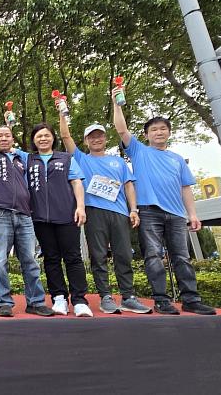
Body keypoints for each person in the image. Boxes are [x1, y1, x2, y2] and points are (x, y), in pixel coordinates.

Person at [113, 88, 216, 315]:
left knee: (182, 257)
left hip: (177, 215)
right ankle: (161, 299)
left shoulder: (177, 159)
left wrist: (193, 214)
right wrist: (117, 103)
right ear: (147, 134)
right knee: (153, 256)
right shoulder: (139, 151)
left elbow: (186, 188)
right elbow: (121, 129)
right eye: (154, 130)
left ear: (169, 133)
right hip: (149, 212)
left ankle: (191, 299)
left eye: (163, 129)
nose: (159, 132)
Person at [59, 116, 152, 315]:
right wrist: (62, 113)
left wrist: (133, 209)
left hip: (119, 213)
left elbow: (129, 186)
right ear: (85, 141)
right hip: (93, 212)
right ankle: (106, 296)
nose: (96, 140)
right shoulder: (81, 159)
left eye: (99, 136)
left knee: (124, 255)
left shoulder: (118, 161)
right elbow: (65, 135)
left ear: (105, 138)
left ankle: (128, 297)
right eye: (91, 137)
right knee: (99, 256)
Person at [0, 88, 54, 317]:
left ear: (12, 138)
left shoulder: (24, 158)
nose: (3, 138)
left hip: (25, 215)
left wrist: (11, 122)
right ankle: (4, 302)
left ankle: (36, 301)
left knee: (30, 260)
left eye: (7, 135)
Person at [26, 122, 92, 317]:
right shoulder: (29, 160)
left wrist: (80, 207)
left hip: (66, 215)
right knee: (51, 258)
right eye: (39, 136)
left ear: (53, 138)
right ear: (33, 140)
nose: (43, 138)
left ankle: (79, 300)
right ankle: (59, 298)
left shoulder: (66, 158)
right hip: (40, 219)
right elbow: (6, 145)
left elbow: (77, 182)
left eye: (47, 135)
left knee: (73, 257)